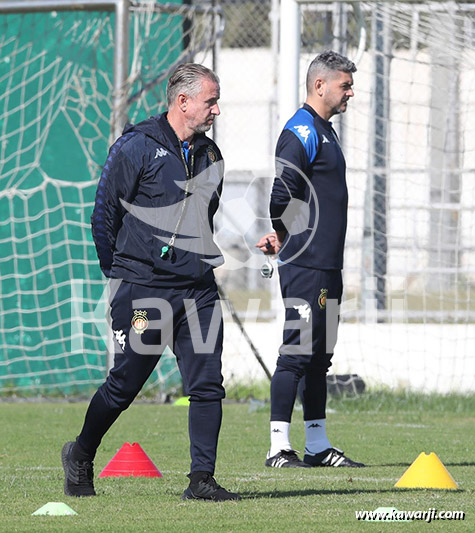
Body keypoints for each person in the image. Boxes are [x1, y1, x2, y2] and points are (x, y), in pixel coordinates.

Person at [62, 63, 241, 501]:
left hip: (197, 289)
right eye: (210, 101)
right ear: (183, 102)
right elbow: (104, 216)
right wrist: (122, 275)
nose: (216, 109)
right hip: (142, 287)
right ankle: (81, 452)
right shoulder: (135, 146)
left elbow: (206, 215)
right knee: (125, 383)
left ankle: (201, 480)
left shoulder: (211, 155)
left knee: (206, 382)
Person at [256, 50, 365, 468]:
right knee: (297, 352)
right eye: (345, 85)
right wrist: (285, 236)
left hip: (327, 264)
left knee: (320, 355)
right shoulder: (300, 130)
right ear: (320, 85)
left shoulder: (326, 130)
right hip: (306, 265)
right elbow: (283, 193)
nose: (350, 93)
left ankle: (318, 447)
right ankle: (279, 448)